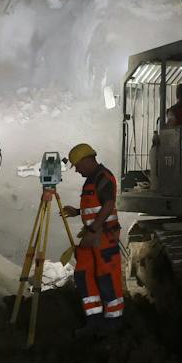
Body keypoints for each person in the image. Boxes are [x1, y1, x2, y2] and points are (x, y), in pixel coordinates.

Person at [60, 142, 124, 335]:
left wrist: (94, 230)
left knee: (106, 278)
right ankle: (94, 321)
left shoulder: (103, 177)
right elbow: (96, 206)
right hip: (93, 237)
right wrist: (78, 211)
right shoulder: (91, 179)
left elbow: (108, 204)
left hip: (103, 237)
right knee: (84, 275)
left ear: (87, 160)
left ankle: (113, 324)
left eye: (77, 165)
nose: (77, 170)